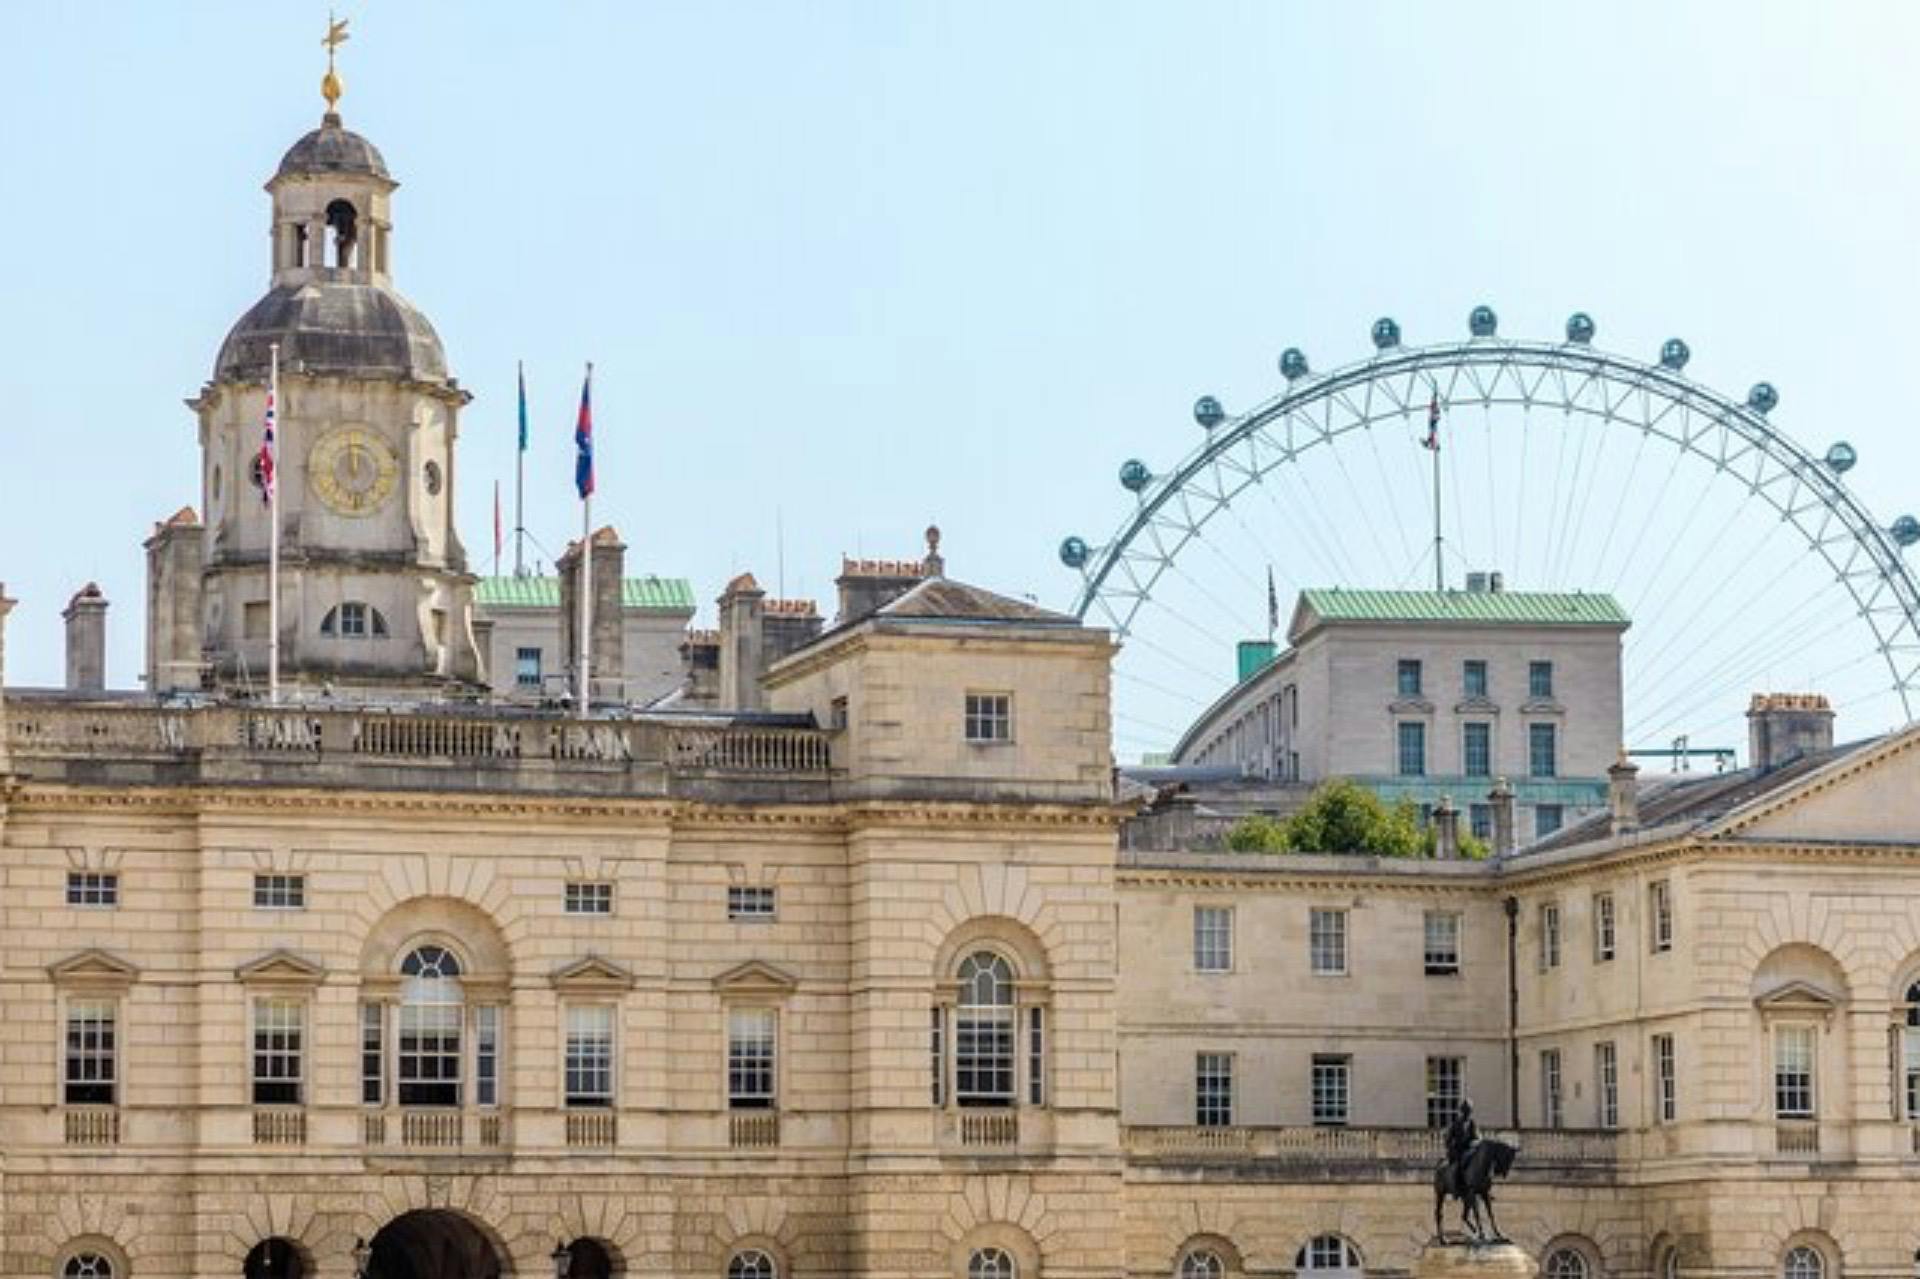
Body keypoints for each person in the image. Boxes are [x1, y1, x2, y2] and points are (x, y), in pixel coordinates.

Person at [1443, 1097, 1480, 1197]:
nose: (1468, 1113)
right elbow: (1448, 1139)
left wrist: (1476, 1142)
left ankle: (1484, 1189)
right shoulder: (1455, 1123)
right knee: (1460, 1166)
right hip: (1458, 1152)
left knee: (1481, 1165)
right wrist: (1452, 1145)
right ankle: (1457, 1187)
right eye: (1466, 1111)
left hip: (1469, 1151)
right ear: (1462, 1111)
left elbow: (1477, 1137)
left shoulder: (1472, 1123)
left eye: (1469, 1111)